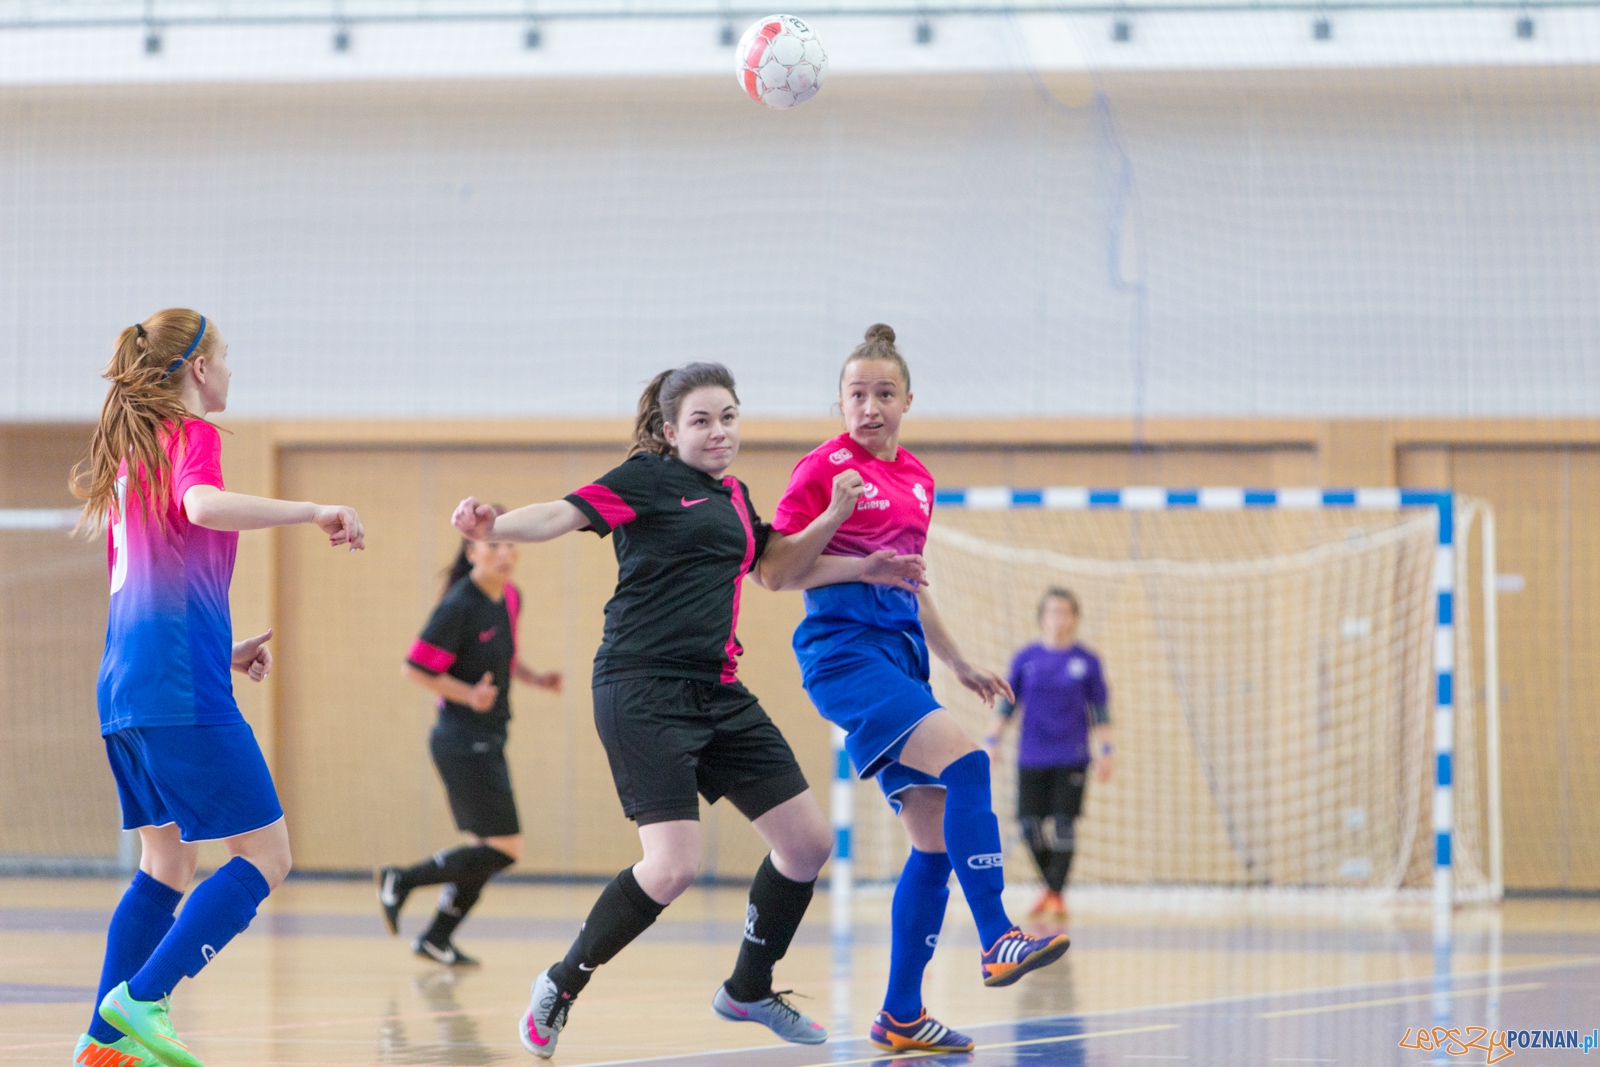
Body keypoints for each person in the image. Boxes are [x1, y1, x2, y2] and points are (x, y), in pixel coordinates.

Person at [449, 362, 925, 1058]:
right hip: (640, 688)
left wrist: (864, 562)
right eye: (702, 420)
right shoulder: (645, 478)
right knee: (672, 865)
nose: (718, 431)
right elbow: (561, 512)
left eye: (728, 416)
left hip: (717, 690)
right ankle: (560, 982)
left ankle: (749, 987)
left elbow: (777, 568)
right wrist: (499, 523)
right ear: (672, 431)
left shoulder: (733, 496)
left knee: (807, 842)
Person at [70, 309, 364, 1067]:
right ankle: (143, 999)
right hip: (175, 690)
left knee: (165, 865)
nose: (231, 370)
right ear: (198, 368)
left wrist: (219, 648)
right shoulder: (189, 437)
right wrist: (311, 510)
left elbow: (150, 582)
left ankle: (103, 1047)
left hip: (127, 691)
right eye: (226, 357)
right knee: (268, 855)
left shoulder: (133, 460)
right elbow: (200, 508)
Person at [768, 324, 1071, 1056]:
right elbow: (775, 573)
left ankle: (901, 1013)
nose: (869, 407)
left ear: (908, 400)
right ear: (838, 401)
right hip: (845, 655)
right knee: (969, 763)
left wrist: (960, 662)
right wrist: (837, 519)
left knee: (932, 845)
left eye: (883, 394)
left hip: (902, 658)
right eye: (856, 394)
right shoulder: (821, 469)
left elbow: (910, 579)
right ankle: (998, 934)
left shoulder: (918, 480)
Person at [376, 525, 563, 966]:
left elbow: (504, 655)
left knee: (484, 853)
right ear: (472, 549)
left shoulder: (510, 597)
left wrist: (534, 679)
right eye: (494, 544)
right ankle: (401, 879)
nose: (504, 553)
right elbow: (415, 669)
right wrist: (469, 696)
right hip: (461, 738)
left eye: (510, 543)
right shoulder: (458, 605)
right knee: (504, 849)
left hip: (490, 734)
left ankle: (436, 938)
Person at [986, 588, 1113, 924]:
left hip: (1072, 755)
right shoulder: (1026, 658)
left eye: (1065, 612)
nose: (1059, 619)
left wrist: (1106, 750)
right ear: (1042, 618)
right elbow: (1007, 704)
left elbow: (1100, 710)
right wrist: (991, 742)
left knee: (1063, 824)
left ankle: (1055, 894)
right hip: (1032, 755)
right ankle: (1052, 888)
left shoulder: (1086, 661)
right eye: (1053, 612)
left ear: (1074, 618)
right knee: (1029, 825)